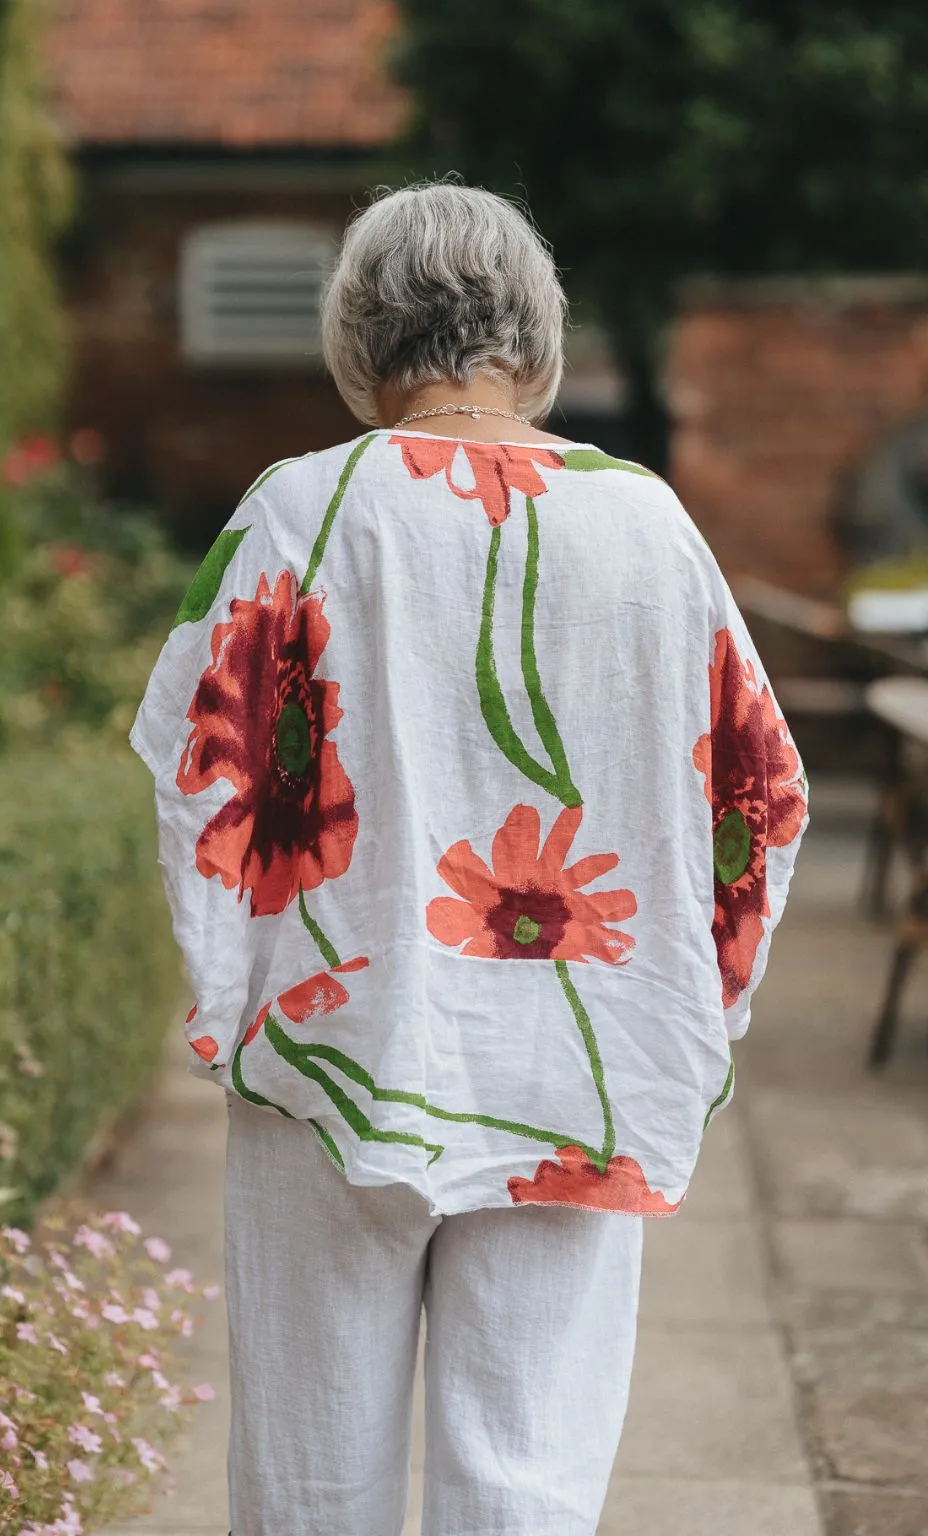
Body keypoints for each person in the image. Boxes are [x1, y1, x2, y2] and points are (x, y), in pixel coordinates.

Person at [131, 180, 807, 1536]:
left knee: (313, 1477)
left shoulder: (303, 511)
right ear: (535, 338)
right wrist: (687, 1009)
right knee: (530, 1477)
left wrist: (230, 1008)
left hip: (339, 1048)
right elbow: (761, 794)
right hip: (577, 1065)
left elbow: (189, 763)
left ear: (360, 337)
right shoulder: (650, 525)